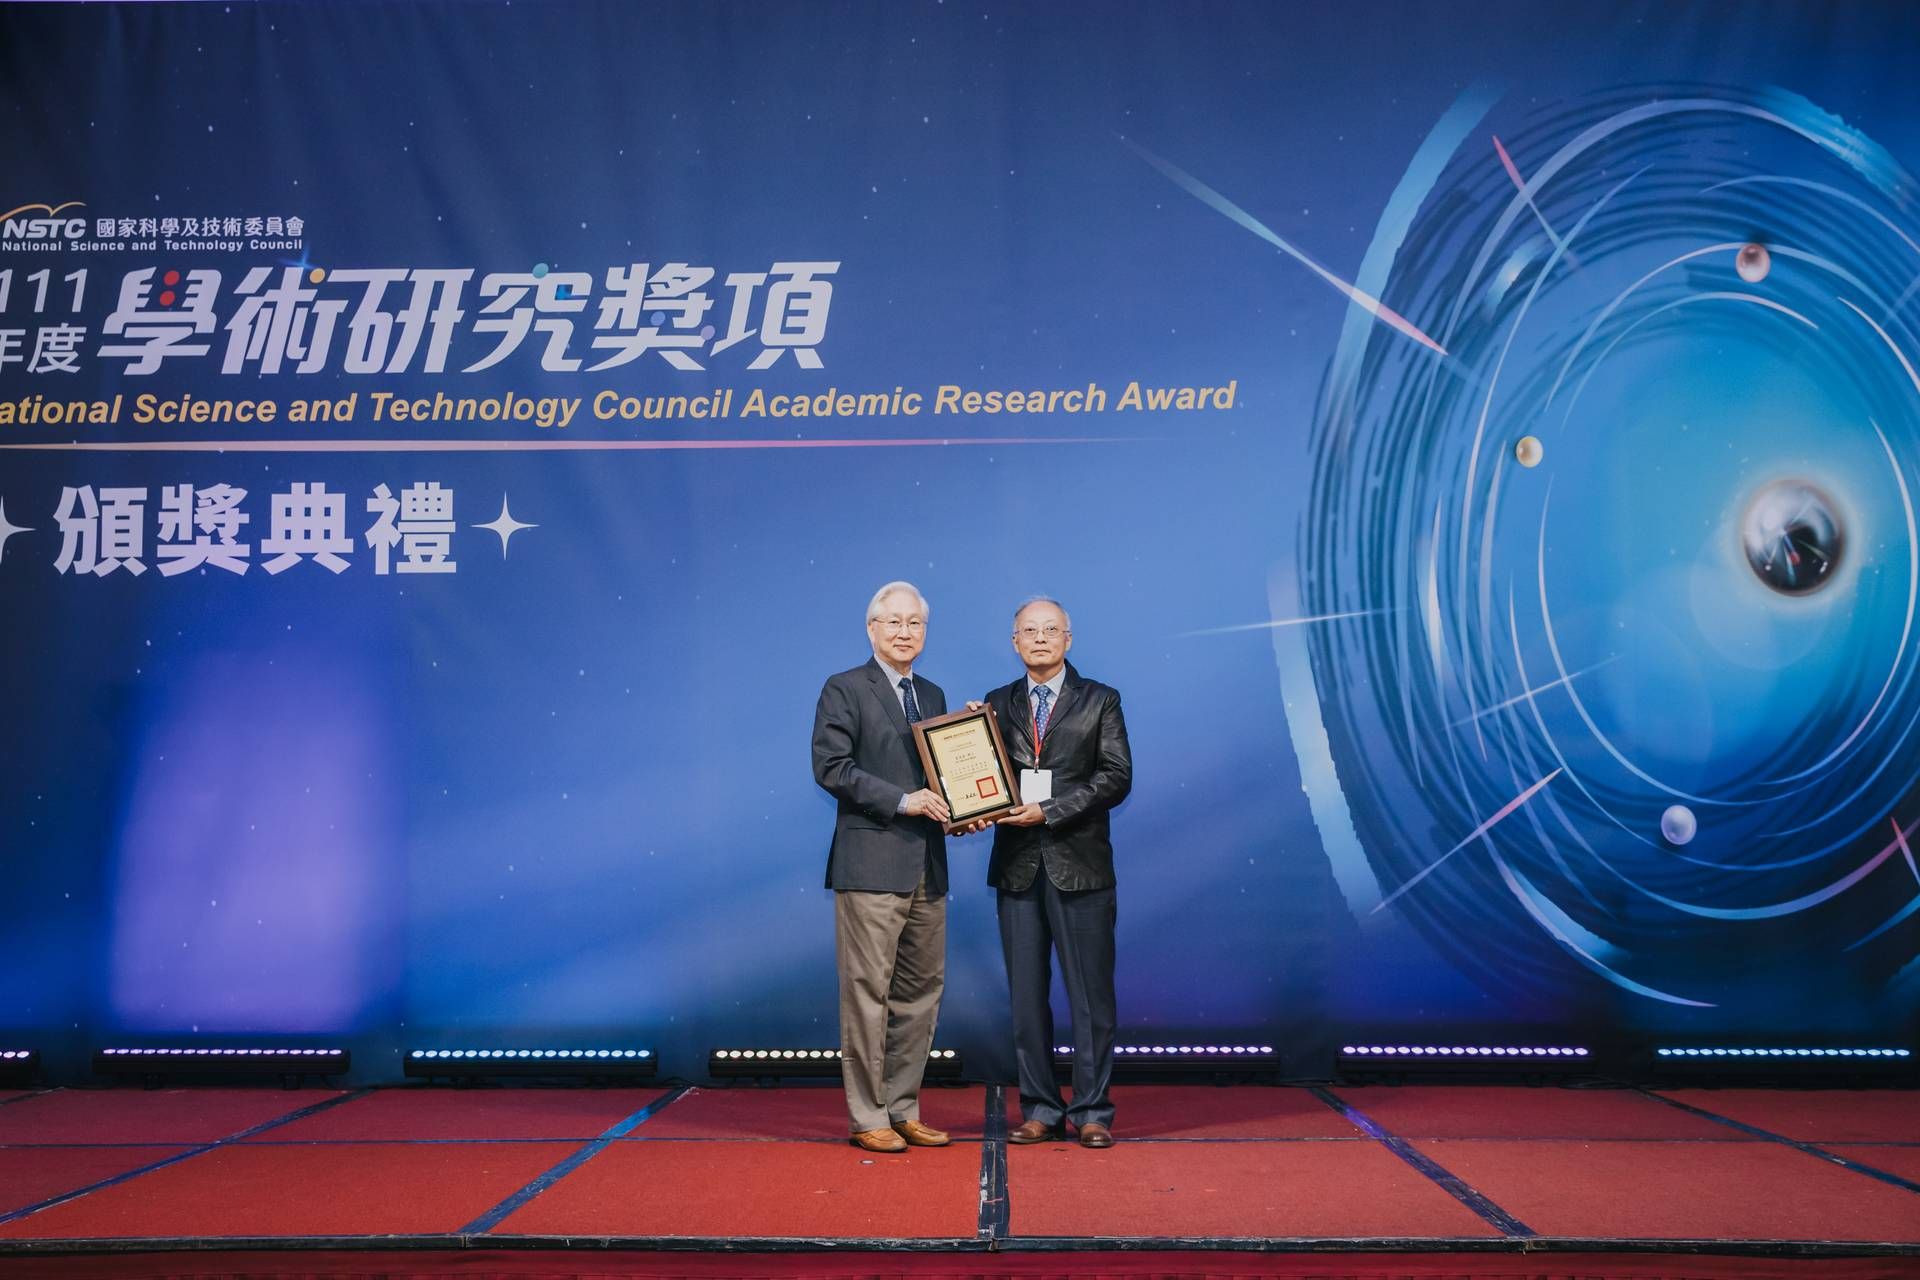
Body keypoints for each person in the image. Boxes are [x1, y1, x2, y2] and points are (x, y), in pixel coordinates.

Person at [810, 581, 954, 1153]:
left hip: (928, 866)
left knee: (920, 994)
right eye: (893, 621)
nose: (904, 632)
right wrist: (903, 801)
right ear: (871, 629)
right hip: (871, 864)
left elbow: (941, 776)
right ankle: (869, 1115)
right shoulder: (844, 688)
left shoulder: (934, 694)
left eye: (914, 622)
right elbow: (831, 767)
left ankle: (903, 1108)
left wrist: (964, 807)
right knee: (868, 993)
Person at [983, 597, 1132, 1148]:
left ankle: (1092, 1110)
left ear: (1069, 639)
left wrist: (1048, 810)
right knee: (1026, 1000)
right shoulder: (995, 704)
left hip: (1080, 866)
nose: (1040, 638)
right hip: (1017, 869)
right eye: (1030, 630)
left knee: (1091, 1000)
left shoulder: (1101, 699)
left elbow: (1116, 776)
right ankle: (1040, 1109)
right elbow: (981, 776)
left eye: (1051, 630)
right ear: (1015, 642)